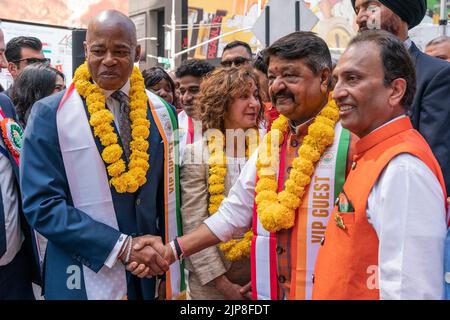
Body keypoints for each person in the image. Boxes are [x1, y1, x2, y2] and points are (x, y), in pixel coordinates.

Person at [128, 32, 356, 300]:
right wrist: (170, 251)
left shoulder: (351, 139)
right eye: (272, 77)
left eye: (290, 76)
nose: (277, 86)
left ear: (325, 78)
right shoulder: (273, 143)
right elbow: (234, 213)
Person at [19, 10, 184, 300]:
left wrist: (164, 266)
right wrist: (122, 246)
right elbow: (42, 205)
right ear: (85, 51)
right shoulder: (50, 115)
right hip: (80, 273)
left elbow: (166, 199)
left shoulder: (161, 112)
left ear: (137, 52)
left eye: (120, 51)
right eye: (98, 50)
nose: (108, 60)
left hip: (147, 272)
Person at [313, 30, 447, 300]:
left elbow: (412, 292)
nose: (337, 93)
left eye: (353, 78)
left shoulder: (403, 168)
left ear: (395, 90)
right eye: (337, 80)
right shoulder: (376, 153)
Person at [181, 66, 263, 299]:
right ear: (221, 103)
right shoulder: (197, 154)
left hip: (260, 278)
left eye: (256, 95)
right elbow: (193, 223)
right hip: (211, 287)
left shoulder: (269, 149)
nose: (255, 104)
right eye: (244, 96)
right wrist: (222, 284)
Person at [352, 0, 450, 195]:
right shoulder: (351, 77)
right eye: (357, 9)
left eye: (371, 7)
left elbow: (436, 162)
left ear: (401, 12)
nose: (360, 18)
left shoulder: (436, 75)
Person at [175, 59, 214, 163]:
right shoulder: (174, 123)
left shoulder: (225, 125)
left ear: (211, 89)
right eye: (182, 92)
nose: (186, 97)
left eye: (194, 90)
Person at [12, 63, 65, 127]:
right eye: (57, 88)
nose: (63, 94)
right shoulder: (13, 126)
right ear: (37, 91)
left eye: (64, 89)